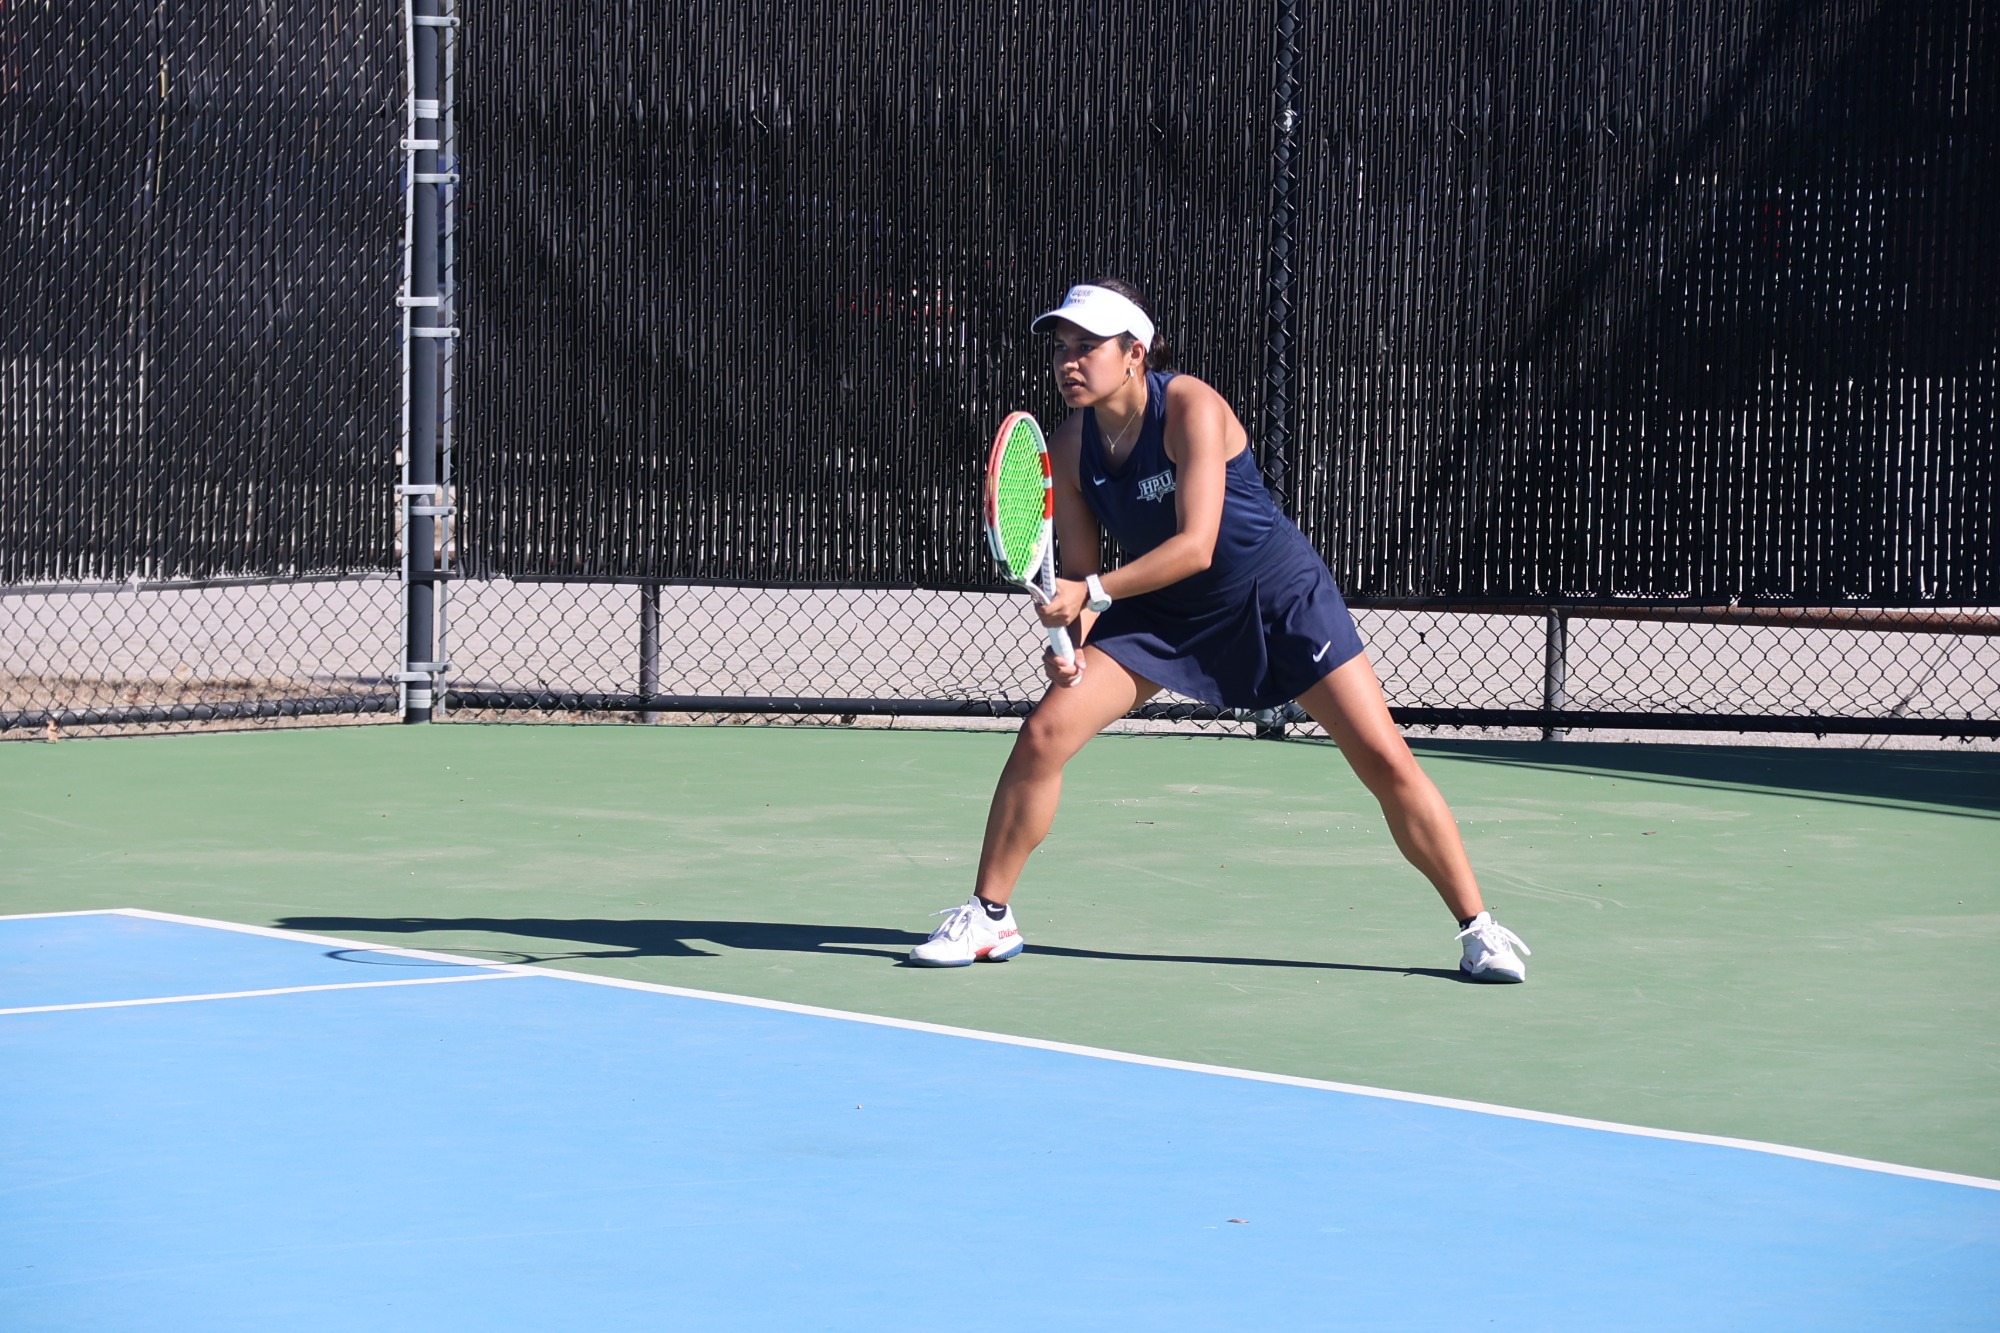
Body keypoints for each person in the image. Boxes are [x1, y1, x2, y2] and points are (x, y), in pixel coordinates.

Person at [910, 279, 1531, 982]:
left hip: (1274, 595)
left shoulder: (1191, 408)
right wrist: (1074, 638)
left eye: (1087, 347)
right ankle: (989, 917)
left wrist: (1096, 594)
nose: (1068, 362)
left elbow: (1197, 544)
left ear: (1135, 352)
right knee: (1045, 731)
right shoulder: (1072, 444)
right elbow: (1079, 578)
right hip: (1163, 612)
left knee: (1384, 759)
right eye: (1061, 348)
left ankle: (1480, 929)